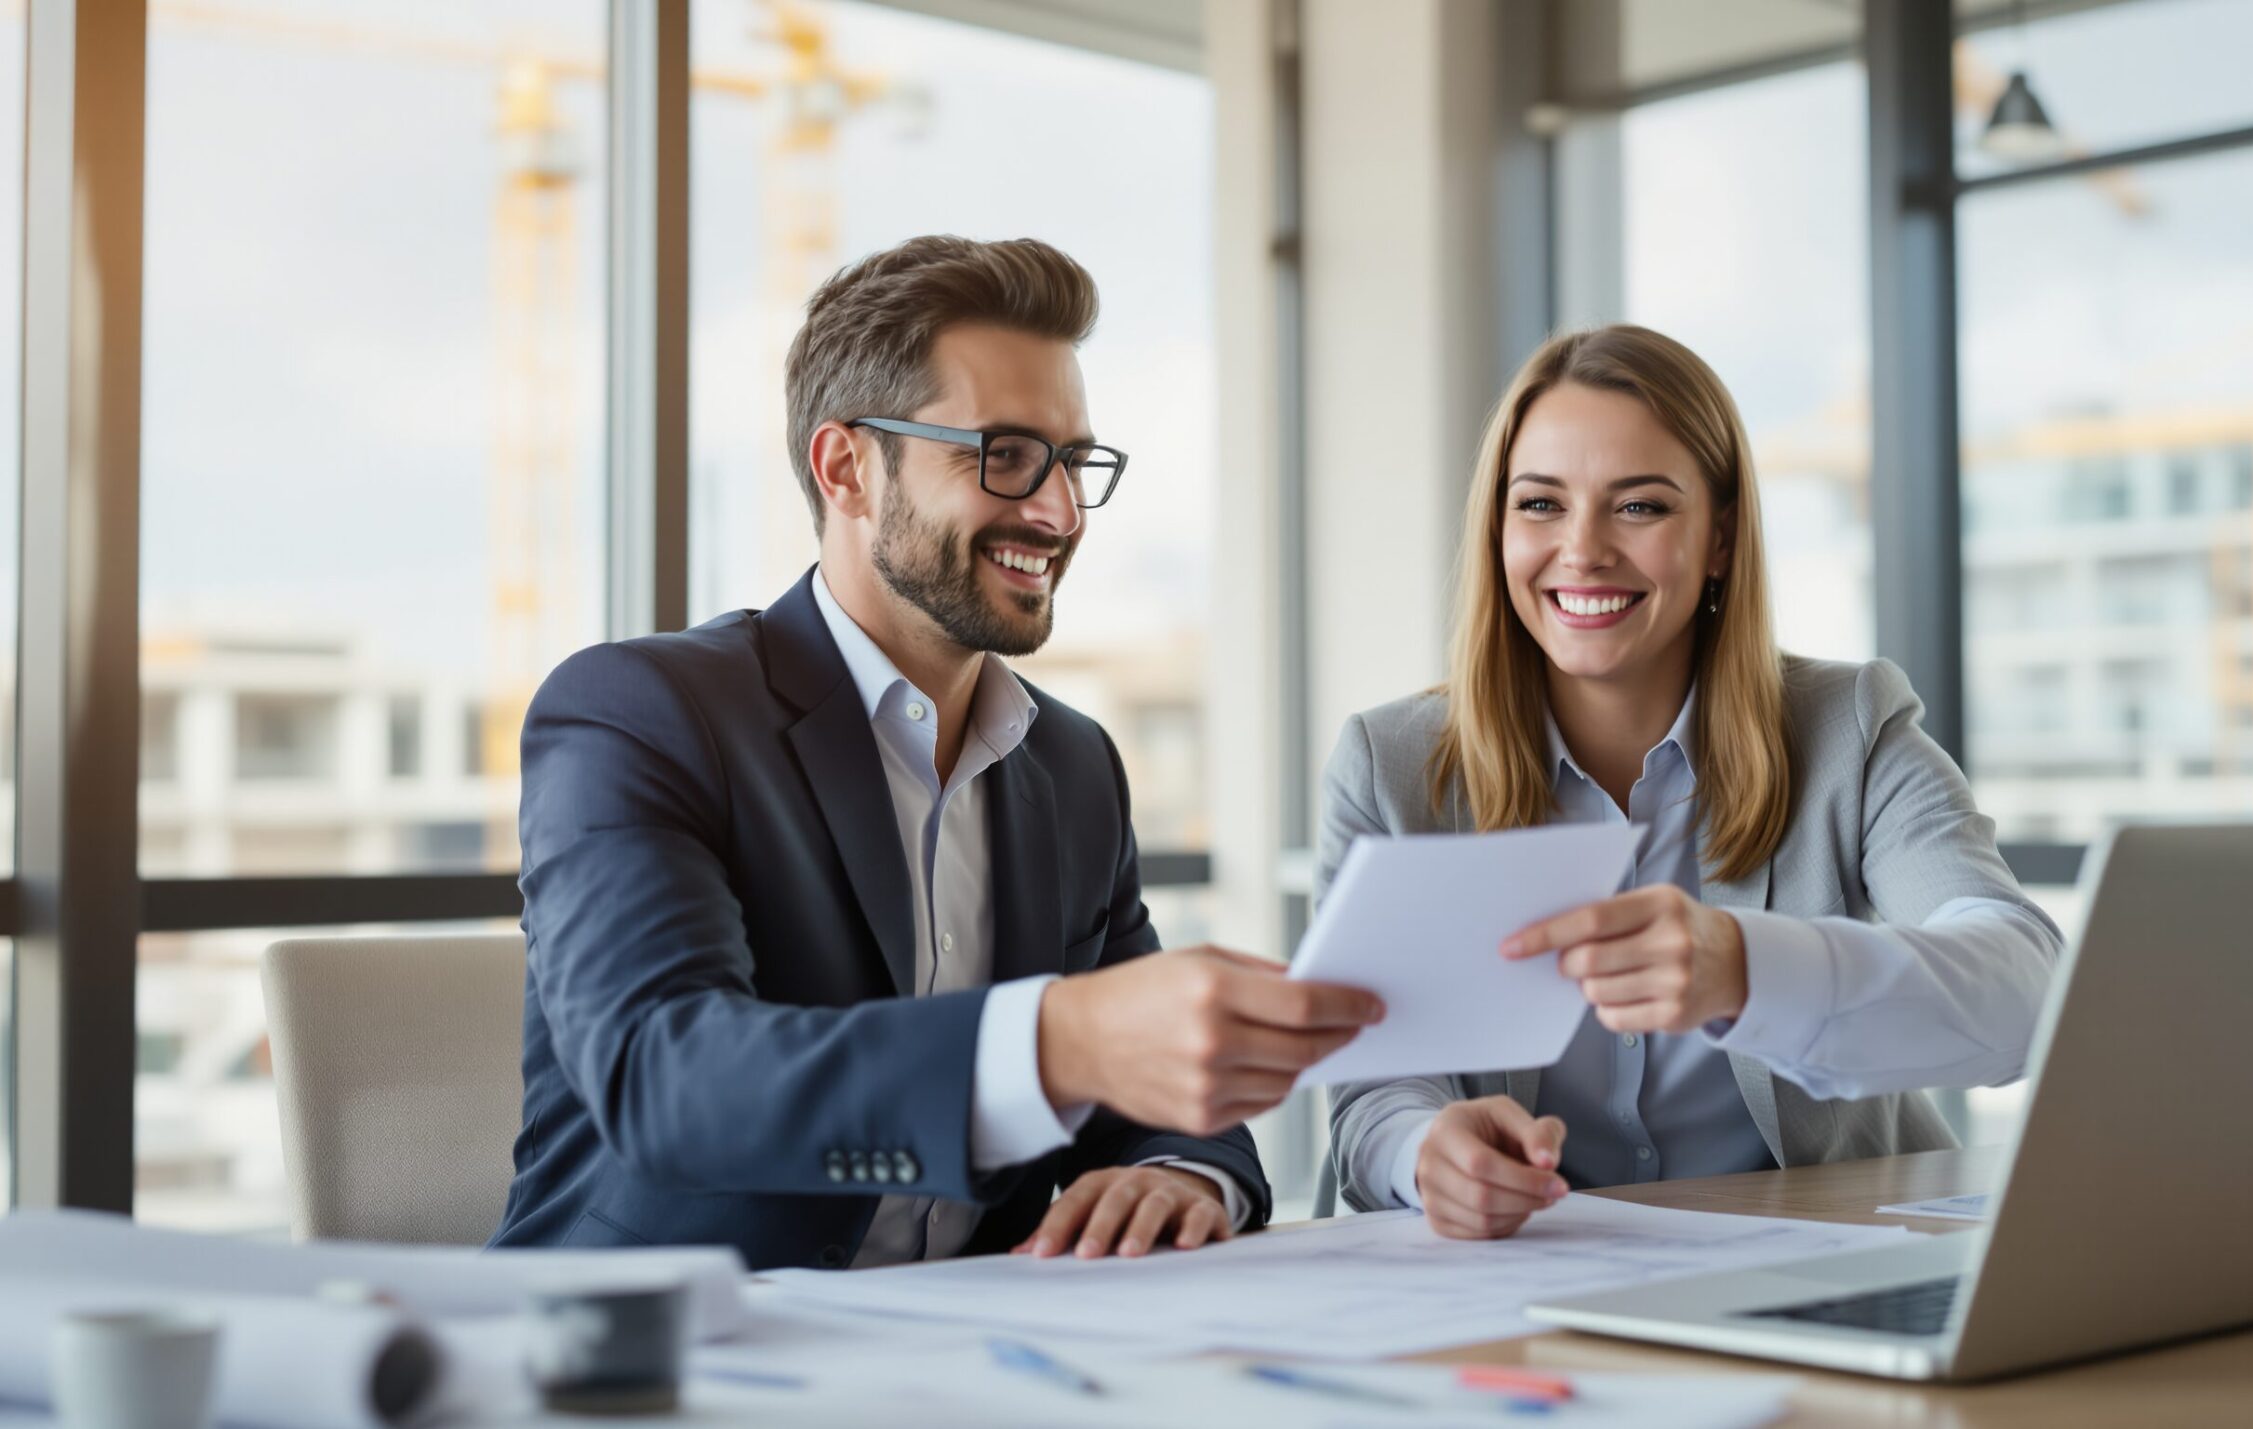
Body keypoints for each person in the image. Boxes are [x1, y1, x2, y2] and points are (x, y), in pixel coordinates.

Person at [492, 235, 1382, 1271]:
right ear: (847, 468)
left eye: (1072, 461)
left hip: (977, 1345)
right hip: (660, 1357)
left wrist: (1178, 1173)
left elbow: (1158, 1106)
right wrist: (1059, 1040)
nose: (1057, 511)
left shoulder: (1073, 763)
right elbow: (665, 1077)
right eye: (1002, 455)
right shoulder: (641, 711)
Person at [1324, 324, 2062, 1239]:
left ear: (1719, 538)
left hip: (1820, 1264)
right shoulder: (1390, 765)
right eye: (1541, 504)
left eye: (1639, 507)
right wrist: (1424, 1150)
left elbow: (2028, 991)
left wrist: (1747, 970)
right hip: (1523, 1278)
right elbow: (1370, 1086)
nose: (1583, 550)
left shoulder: (1851, 726)